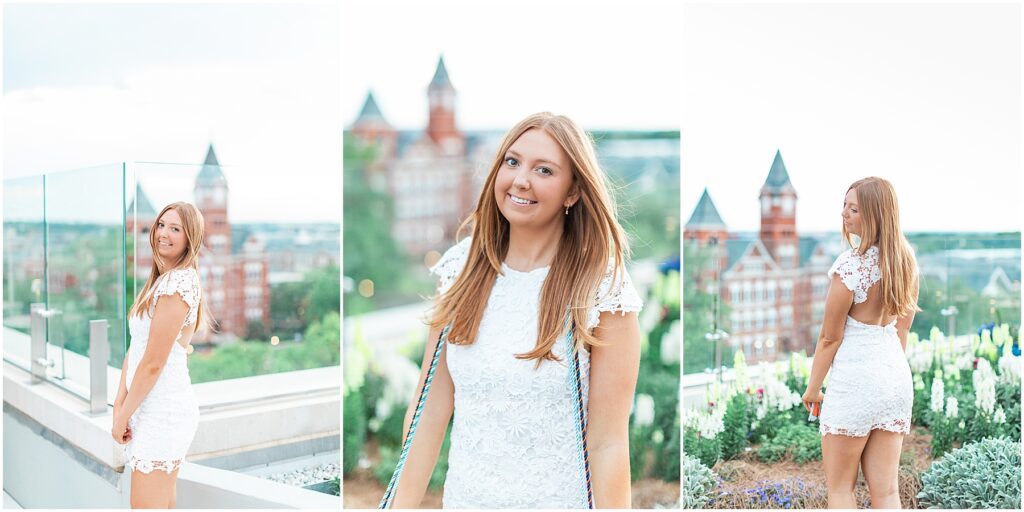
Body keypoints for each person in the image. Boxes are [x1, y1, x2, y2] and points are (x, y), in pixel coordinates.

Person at [386, 112, 643, 508]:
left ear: (572, 192)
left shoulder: (601, 288)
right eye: (512, 161)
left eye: (544, 170)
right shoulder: (460, 271)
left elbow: (608, 442)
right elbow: (428, 414)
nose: (521, 179)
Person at [802, 177, 920, 509]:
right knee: (887, 493)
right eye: (844, 206)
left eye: (853, 209)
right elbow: (902, 331)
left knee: (841, 490)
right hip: (894, 379)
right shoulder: (907, 264)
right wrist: (886, 379)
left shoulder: (851, 266)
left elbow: (830, 337)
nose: (844, 214)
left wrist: (813, 389)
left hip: (855, 383)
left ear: (875, 215)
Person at [112, 201, 210, 508]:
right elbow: (137, 346)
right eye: (161, 225)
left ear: (189, 238)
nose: (163, 233)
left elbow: (154, 363)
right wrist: (120, 404)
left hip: (164, 411)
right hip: (146, 404)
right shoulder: (162, 280)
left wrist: (123, 416)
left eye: (175, 228)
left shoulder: (179, 282)